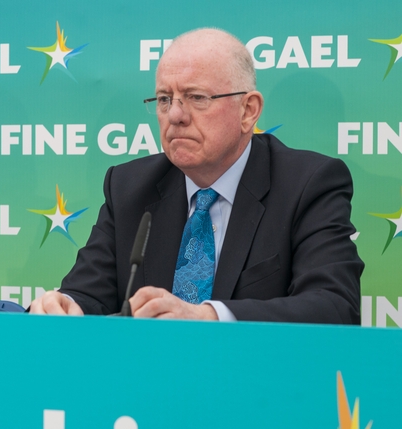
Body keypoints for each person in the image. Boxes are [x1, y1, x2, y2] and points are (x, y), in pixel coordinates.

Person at [30, 28, 362, 323]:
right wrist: (65, 304)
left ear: (248, 111)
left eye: (196, 97)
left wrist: (207, 316)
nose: (175, 115)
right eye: (164, 99)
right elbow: (88, 294)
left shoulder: (308, 184)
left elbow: (334, 306)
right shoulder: (129, 187)